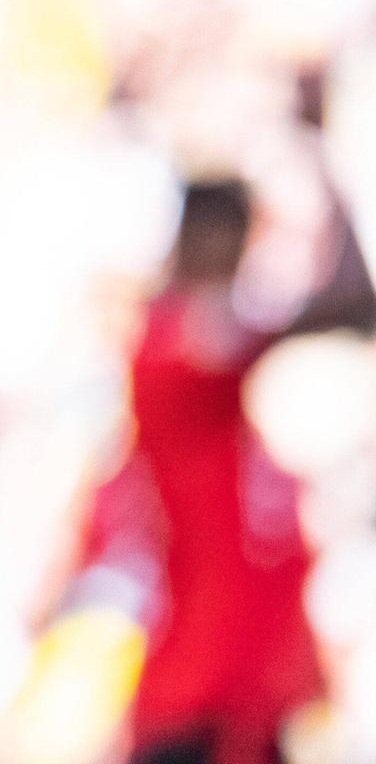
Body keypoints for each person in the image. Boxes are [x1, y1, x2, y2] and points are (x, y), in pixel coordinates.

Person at [76, 74, 373, 764]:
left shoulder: (225, 372)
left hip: (251, 695)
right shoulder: (169, 350)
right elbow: (327, 306)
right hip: (194, 696)